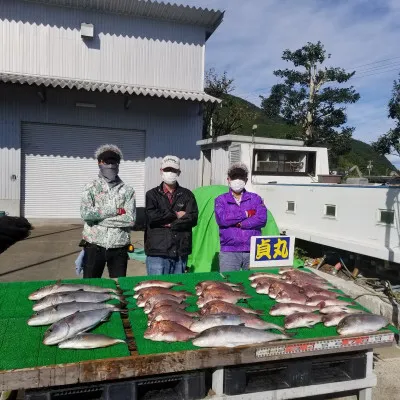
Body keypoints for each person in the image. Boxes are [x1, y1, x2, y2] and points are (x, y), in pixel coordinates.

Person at [80, 144, 136, 278]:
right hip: (94, 246)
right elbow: (86, 214)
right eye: (107, 162)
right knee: (90, 286)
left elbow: (130, 220)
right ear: (99, 163)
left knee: (119, 286)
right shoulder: (90, 188)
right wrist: (115, 210)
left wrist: (98, 221)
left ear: (118, 164)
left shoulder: (128, 190)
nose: (110, 165)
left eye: (114, 162)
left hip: (119, 247)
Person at [145, 155, 198, 275]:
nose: (170, 173)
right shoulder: (151, 195)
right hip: (157, 250)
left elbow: (192, 218)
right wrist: (176, 214)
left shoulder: (187, 194)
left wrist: (167, 223)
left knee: (178, 290)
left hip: (180, 250)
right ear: (161, 171)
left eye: (173, 170)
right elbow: (152, 217)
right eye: (167, 169)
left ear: (179, 172)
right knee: (156, 289)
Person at [215, 162, 267, 272]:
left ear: (246, 180)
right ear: (228, 179)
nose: (238, 180)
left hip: (253, 250)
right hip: (229, 251)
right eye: (234, 177)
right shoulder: (221, 200)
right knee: (228, 284)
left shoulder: (256, 198)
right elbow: (222, 219)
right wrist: (246, 214)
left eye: (241, 177)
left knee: (254, 283)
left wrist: (242, 224)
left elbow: (262, 219)